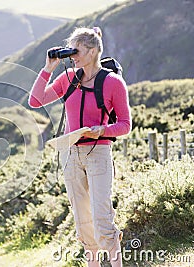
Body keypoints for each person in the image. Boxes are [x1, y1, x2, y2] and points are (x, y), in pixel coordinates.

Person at [28, 27, 131, 267]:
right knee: (82, 219)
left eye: (77, 50)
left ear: (93, 51)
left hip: (99, 153)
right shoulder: (67, 79)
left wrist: (103, 130)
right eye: (71, 50)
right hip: (71, 154)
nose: (72, 55)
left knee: (101, 216)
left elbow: (125, 124)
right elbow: (35, 101)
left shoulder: (113, 83)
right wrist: (48, 68)